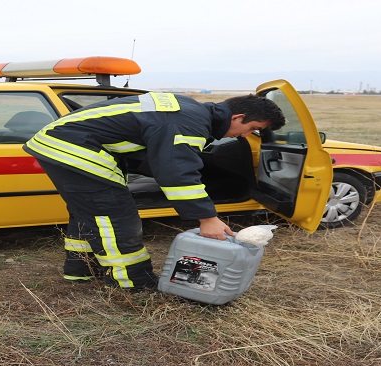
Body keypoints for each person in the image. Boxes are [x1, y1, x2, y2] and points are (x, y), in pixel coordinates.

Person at [24, 92, 285, 290]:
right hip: (72, 147)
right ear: (238, 117)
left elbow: (153, 154)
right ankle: (133, 283)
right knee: (116, 214)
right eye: (252, 129)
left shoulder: (189, 111)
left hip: (59, 143)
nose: (245, 136)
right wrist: (208, 218)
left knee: (90, 211)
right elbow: (177, 171)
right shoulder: (189, 122)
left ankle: (81, 269)